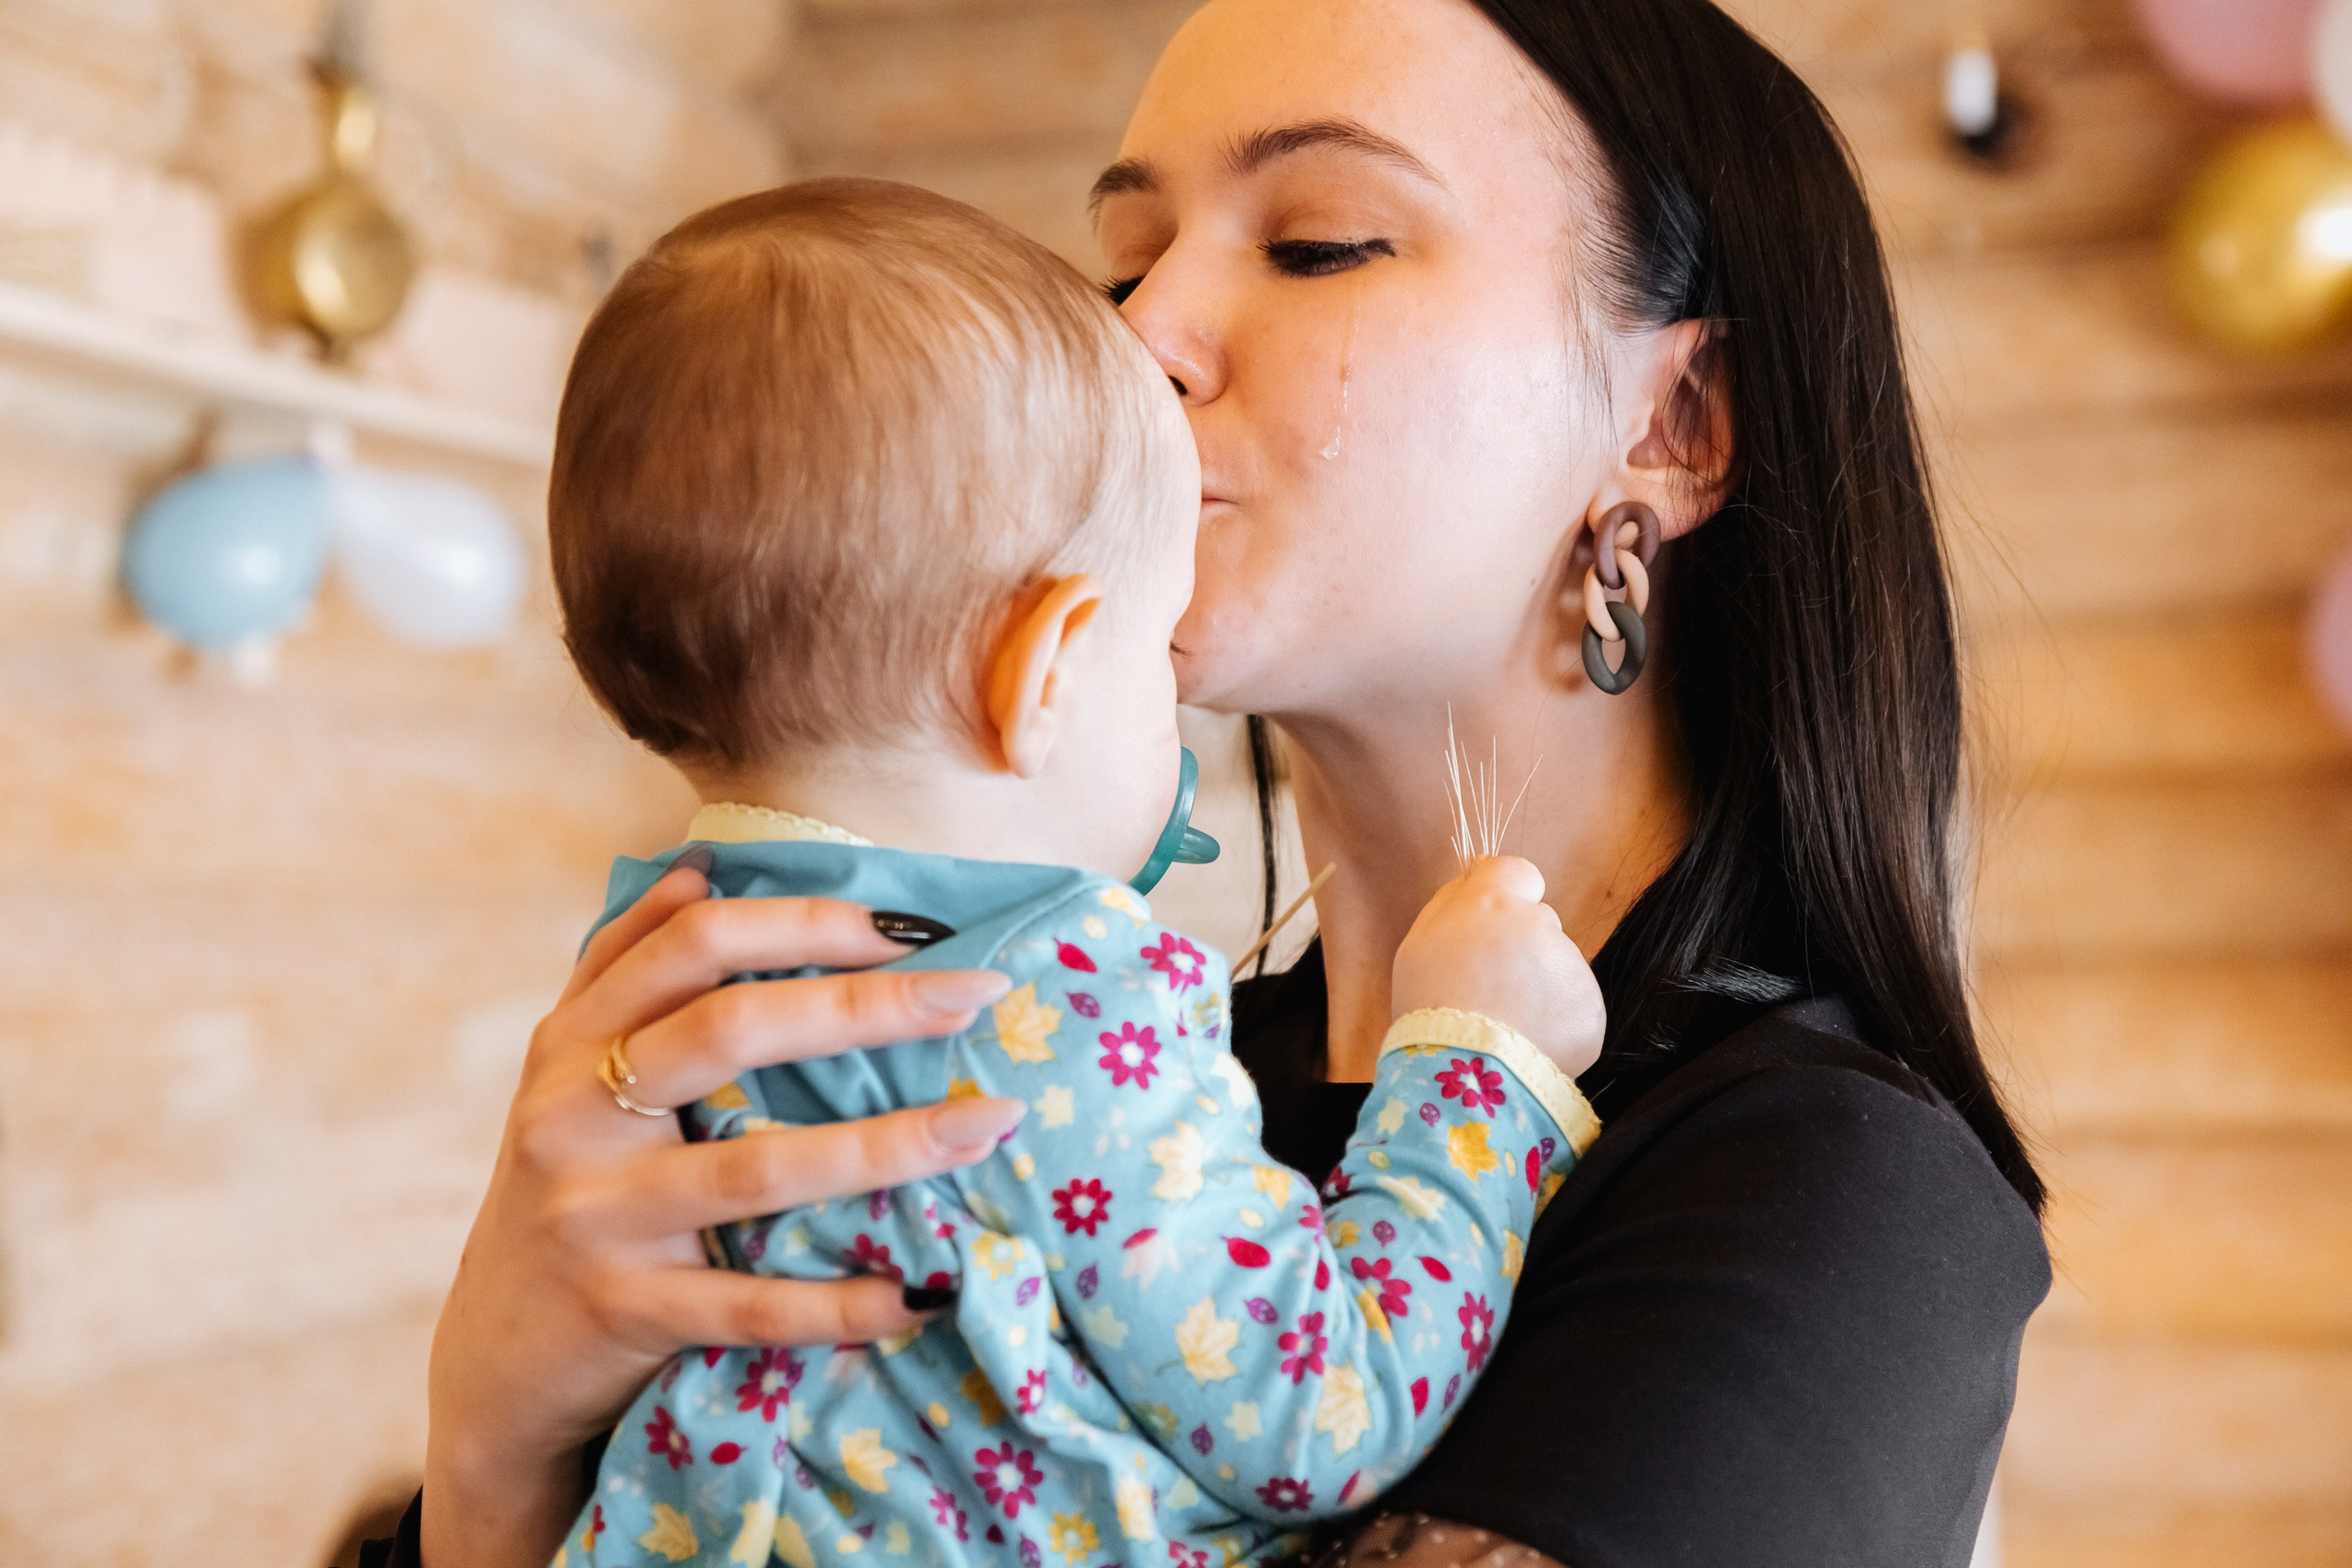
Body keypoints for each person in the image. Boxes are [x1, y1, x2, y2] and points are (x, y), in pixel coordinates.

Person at [380, 2, 2053, 1565]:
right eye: (1124, 261)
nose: (1140, 338)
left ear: (1676, 420)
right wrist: (495, 1438)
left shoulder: (1834, 1196)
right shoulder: (1091, 1080)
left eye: (1319, 241)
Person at [539, 178, 1602, 1568]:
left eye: (1312, 247)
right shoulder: (1061, 1001)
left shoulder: (646, 969)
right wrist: (1477, 1066)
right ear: (1041, 672)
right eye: (1156, 651)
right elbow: (1313, 1413)